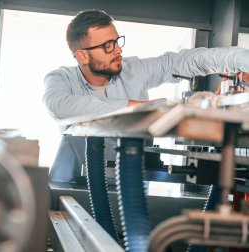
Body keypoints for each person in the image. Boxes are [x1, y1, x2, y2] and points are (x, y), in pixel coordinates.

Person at [43, 9, 249, 183]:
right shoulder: (60, 78)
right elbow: (59, 107)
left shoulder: (132, 70)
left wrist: (242, 59)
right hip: (70, 188)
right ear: (82, 55)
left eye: (116, 41)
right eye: (107, 46)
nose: (117, 51)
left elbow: (184, 61)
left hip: (130, 186)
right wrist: (141, 107)